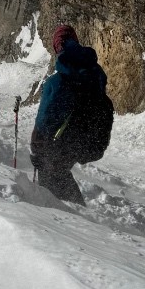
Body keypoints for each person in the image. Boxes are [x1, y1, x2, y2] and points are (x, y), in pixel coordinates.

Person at [30, 24, 112, 205]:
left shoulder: (58, 81)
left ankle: (74, 220)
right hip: (90, 140)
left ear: (56, 47)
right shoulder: (94, 73)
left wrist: (37, 148)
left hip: (64, 142)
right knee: (59, 172)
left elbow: (45, 119)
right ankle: (76, 215)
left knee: (51, 175)